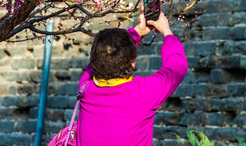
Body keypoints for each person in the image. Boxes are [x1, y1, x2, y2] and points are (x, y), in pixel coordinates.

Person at [76, 7, 188, 145]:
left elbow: (97, 61)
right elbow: (176, 67)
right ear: (133, 62)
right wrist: (167, 32)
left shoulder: (86, 87)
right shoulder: (144, 93)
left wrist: (137, 32)